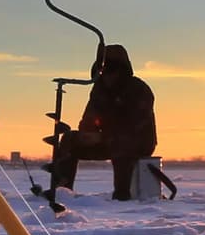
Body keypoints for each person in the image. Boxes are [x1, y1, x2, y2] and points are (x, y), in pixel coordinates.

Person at [48, 43, 159, 199]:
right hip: (108, 140)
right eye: (104, 71)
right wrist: (86, 134)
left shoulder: (139, 89)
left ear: (122, 70)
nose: (107, 76)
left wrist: (104, 135)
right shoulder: (99, 90)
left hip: (138, 143)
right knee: (69, 139)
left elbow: (136, 125)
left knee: (120, 142)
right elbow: (89, 116)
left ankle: (122, 196)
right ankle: (61, 192)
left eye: (111, 71)